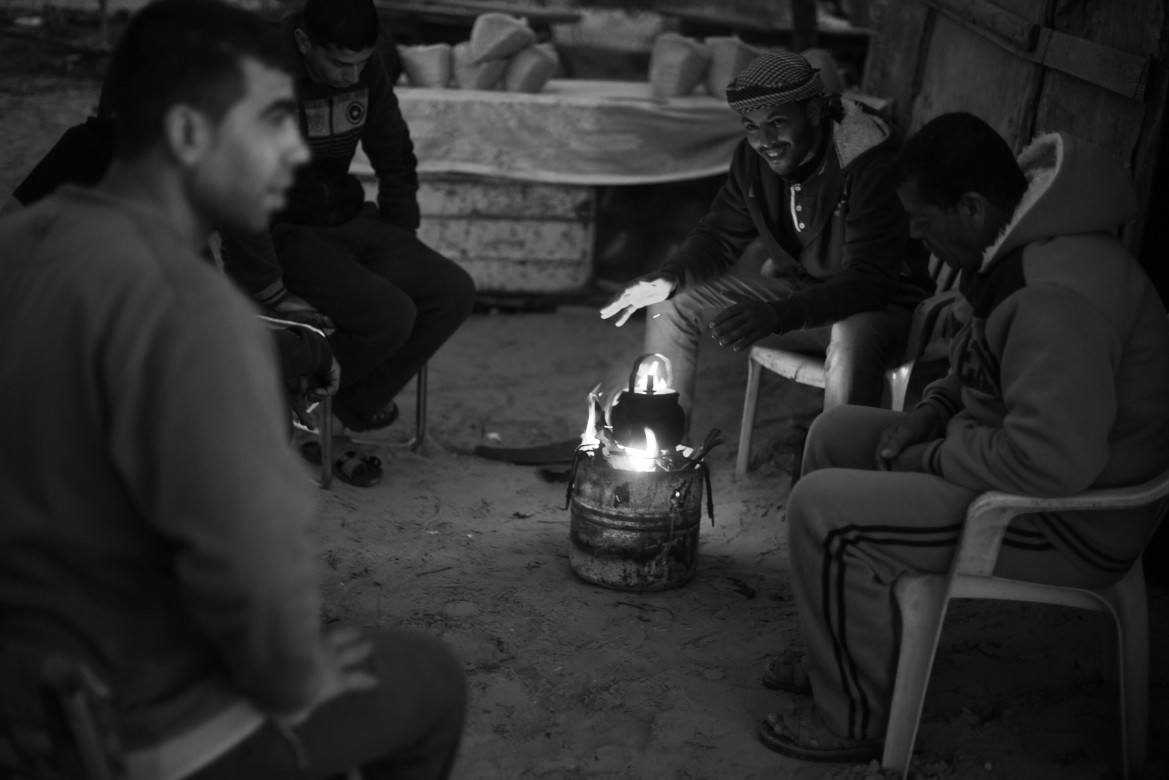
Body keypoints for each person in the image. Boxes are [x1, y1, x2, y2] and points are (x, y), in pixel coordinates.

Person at [0, 2, 465, 779]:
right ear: (189, 133)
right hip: (123, 725)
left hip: (21, 679)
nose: (294, 151)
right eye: (272, 123)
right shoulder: (197, 316)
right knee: (432, 677)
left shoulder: (18, 244)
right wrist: (296, 674)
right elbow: (252, 584)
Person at [757, 112, 1169, 762]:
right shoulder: (1018, 245)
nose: (916, 238)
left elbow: (1049, 463)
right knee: (835, 435)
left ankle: (851, 719)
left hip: (1064, 519)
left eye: (923, 222)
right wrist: (934, 409)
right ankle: (839, 650)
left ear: (971, 208)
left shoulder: (1054, 297)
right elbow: (987, 368)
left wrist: (933, 456)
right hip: (1014, 464)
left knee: (824, 513)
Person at [600, 50, 931, 435]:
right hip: (803, 297)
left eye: (777, 123)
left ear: (813, 112)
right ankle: (660, 444)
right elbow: (719, 235)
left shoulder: (866, 160)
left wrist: (778, 314)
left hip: (879, 312)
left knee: (850, 332)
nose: (766, 141)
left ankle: (835, 460)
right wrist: (670, 276)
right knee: (672, 301)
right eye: (752, 127)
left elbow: (869, 282)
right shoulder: (753, 159)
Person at [220, 0, 477, 436]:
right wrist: (269, 288)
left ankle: (346, 405)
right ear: (304, 42)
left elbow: (394, 151)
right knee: (391, 316)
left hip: (347, 217)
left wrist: (400, 233)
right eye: (340, 64)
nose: (352, 76)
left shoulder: (364, 67)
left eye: (361, 62)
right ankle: (276, 397)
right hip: (281, 232)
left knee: (452, 291)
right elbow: (238, 190)